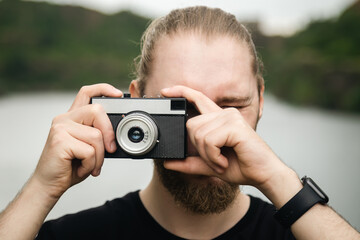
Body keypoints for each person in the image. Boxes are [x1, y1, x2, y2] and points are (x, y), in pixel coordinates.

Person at [0, 6, 359, 240]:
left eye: (230, 107)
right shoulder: (78, 236)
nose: (209, 134)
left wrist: (280, 181)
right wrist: (40, 189)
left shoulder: (305, 232)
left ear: (261, 101)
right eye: (181, 107)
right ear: (137, 102)